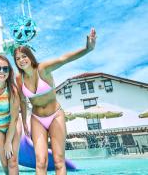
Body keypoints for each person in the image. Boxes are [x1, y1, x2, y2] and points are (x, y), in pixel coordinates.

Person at [13, 29, 96, 175]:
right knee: (41, 162)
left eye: (24, 56)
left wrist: (87, 49)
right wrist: (25, 121)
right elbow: (22, 99)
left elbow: (64, 58)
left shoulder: (43, 68)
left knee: (58, 161)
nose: (21, 60)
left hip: (55, 116)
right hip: (37, 118)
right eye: (18, 58)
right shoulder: (19, 79)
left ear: (30, 57)